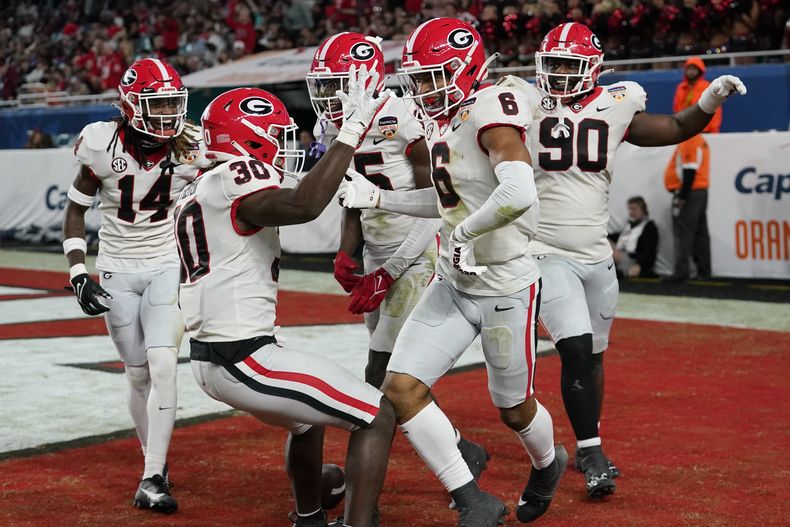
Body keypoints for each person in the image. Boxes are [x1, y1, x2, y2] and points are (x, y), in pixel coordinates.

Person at [499, 22, 745, 498]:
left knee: (592, 355)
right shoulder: (522, 103)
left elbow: (676, 127)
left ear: (593, 68)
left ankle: (590, 440)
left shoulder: (616, 104)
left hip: (596, 254)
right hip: (546, 250)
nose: (561, 76)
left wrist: (711, 98)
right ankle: (591, 452)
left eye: (571, 66)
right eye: (554, 66)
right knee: (573, 346)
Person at [340, 18, 566, 526]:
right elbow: (448, 202)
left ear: (464, 69)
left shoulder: (491, 109)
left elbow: (518, 192)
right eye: (416, 79)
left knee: (513, 409)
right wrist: (377, 196)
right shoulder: (445, 117)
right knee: (400, 389)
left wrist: (463, 237)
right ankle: (472, 498)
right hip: (452, 280)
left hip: (504, 281)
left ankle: (548, 465)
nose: (421, 89)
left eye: (430, 76)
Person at [176, 69, 395, 527]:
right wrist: (351, 131)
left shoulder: (201, 185)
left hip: (216, 356)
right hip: (242, 358)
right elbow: (304, 206)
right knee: (378, 415)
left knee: (306, 419)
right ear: (249, 139)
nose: (283, 144)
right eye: (274, 135)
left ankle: (309, 517)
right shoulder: (238, 175)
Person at [306, 31, 490, 482]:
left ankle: (361, 479)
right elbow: (353, 194)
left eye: (336, 84)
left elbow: (439, 203)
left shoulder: (402, 115)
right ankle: (463, 450)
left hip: (420, 250)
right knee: (398, 371)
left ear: (363, 80)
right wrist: (348, 252)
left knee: (380, 371)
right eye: (323, 85)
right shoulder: (333, 125)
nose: (328, 96)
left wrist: (389, 272)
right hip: (379, 252)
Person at [62, 58, 206, 513]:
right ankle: (154, 461)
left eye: (171, 101)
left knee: (163, 365)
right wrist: (77, 272)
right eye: (156, 102)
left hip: (167, 262)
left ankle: (153, 476)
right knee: (138, 373)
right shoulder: (100, 143)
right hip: (117, 269)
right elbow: (75, 210)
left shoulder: (192, 146)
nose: (167, 111)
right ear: (129, 106)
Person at [664, 57, 718, 281]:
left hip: (691, 189)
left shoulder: (691, 137)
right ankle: (704, 272)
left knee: (684, 231)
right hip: (700, 188)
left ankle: (681, 272)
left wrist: (682, 195)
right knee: (700, 232)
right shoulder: (698, 139)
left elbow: (689, 169)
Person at [611, 196, 659, 278]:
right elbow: (620, 237)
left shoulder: (649, 227)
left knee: (608, 249)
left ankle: (624, 272)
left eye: (634, 209)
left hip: (633, 260)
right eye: (630, 209)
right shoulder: (630, 225)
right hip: (621, 256)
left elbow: (650, 250)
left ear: (643, 209)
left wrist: (639, 264)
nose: (631, 212)